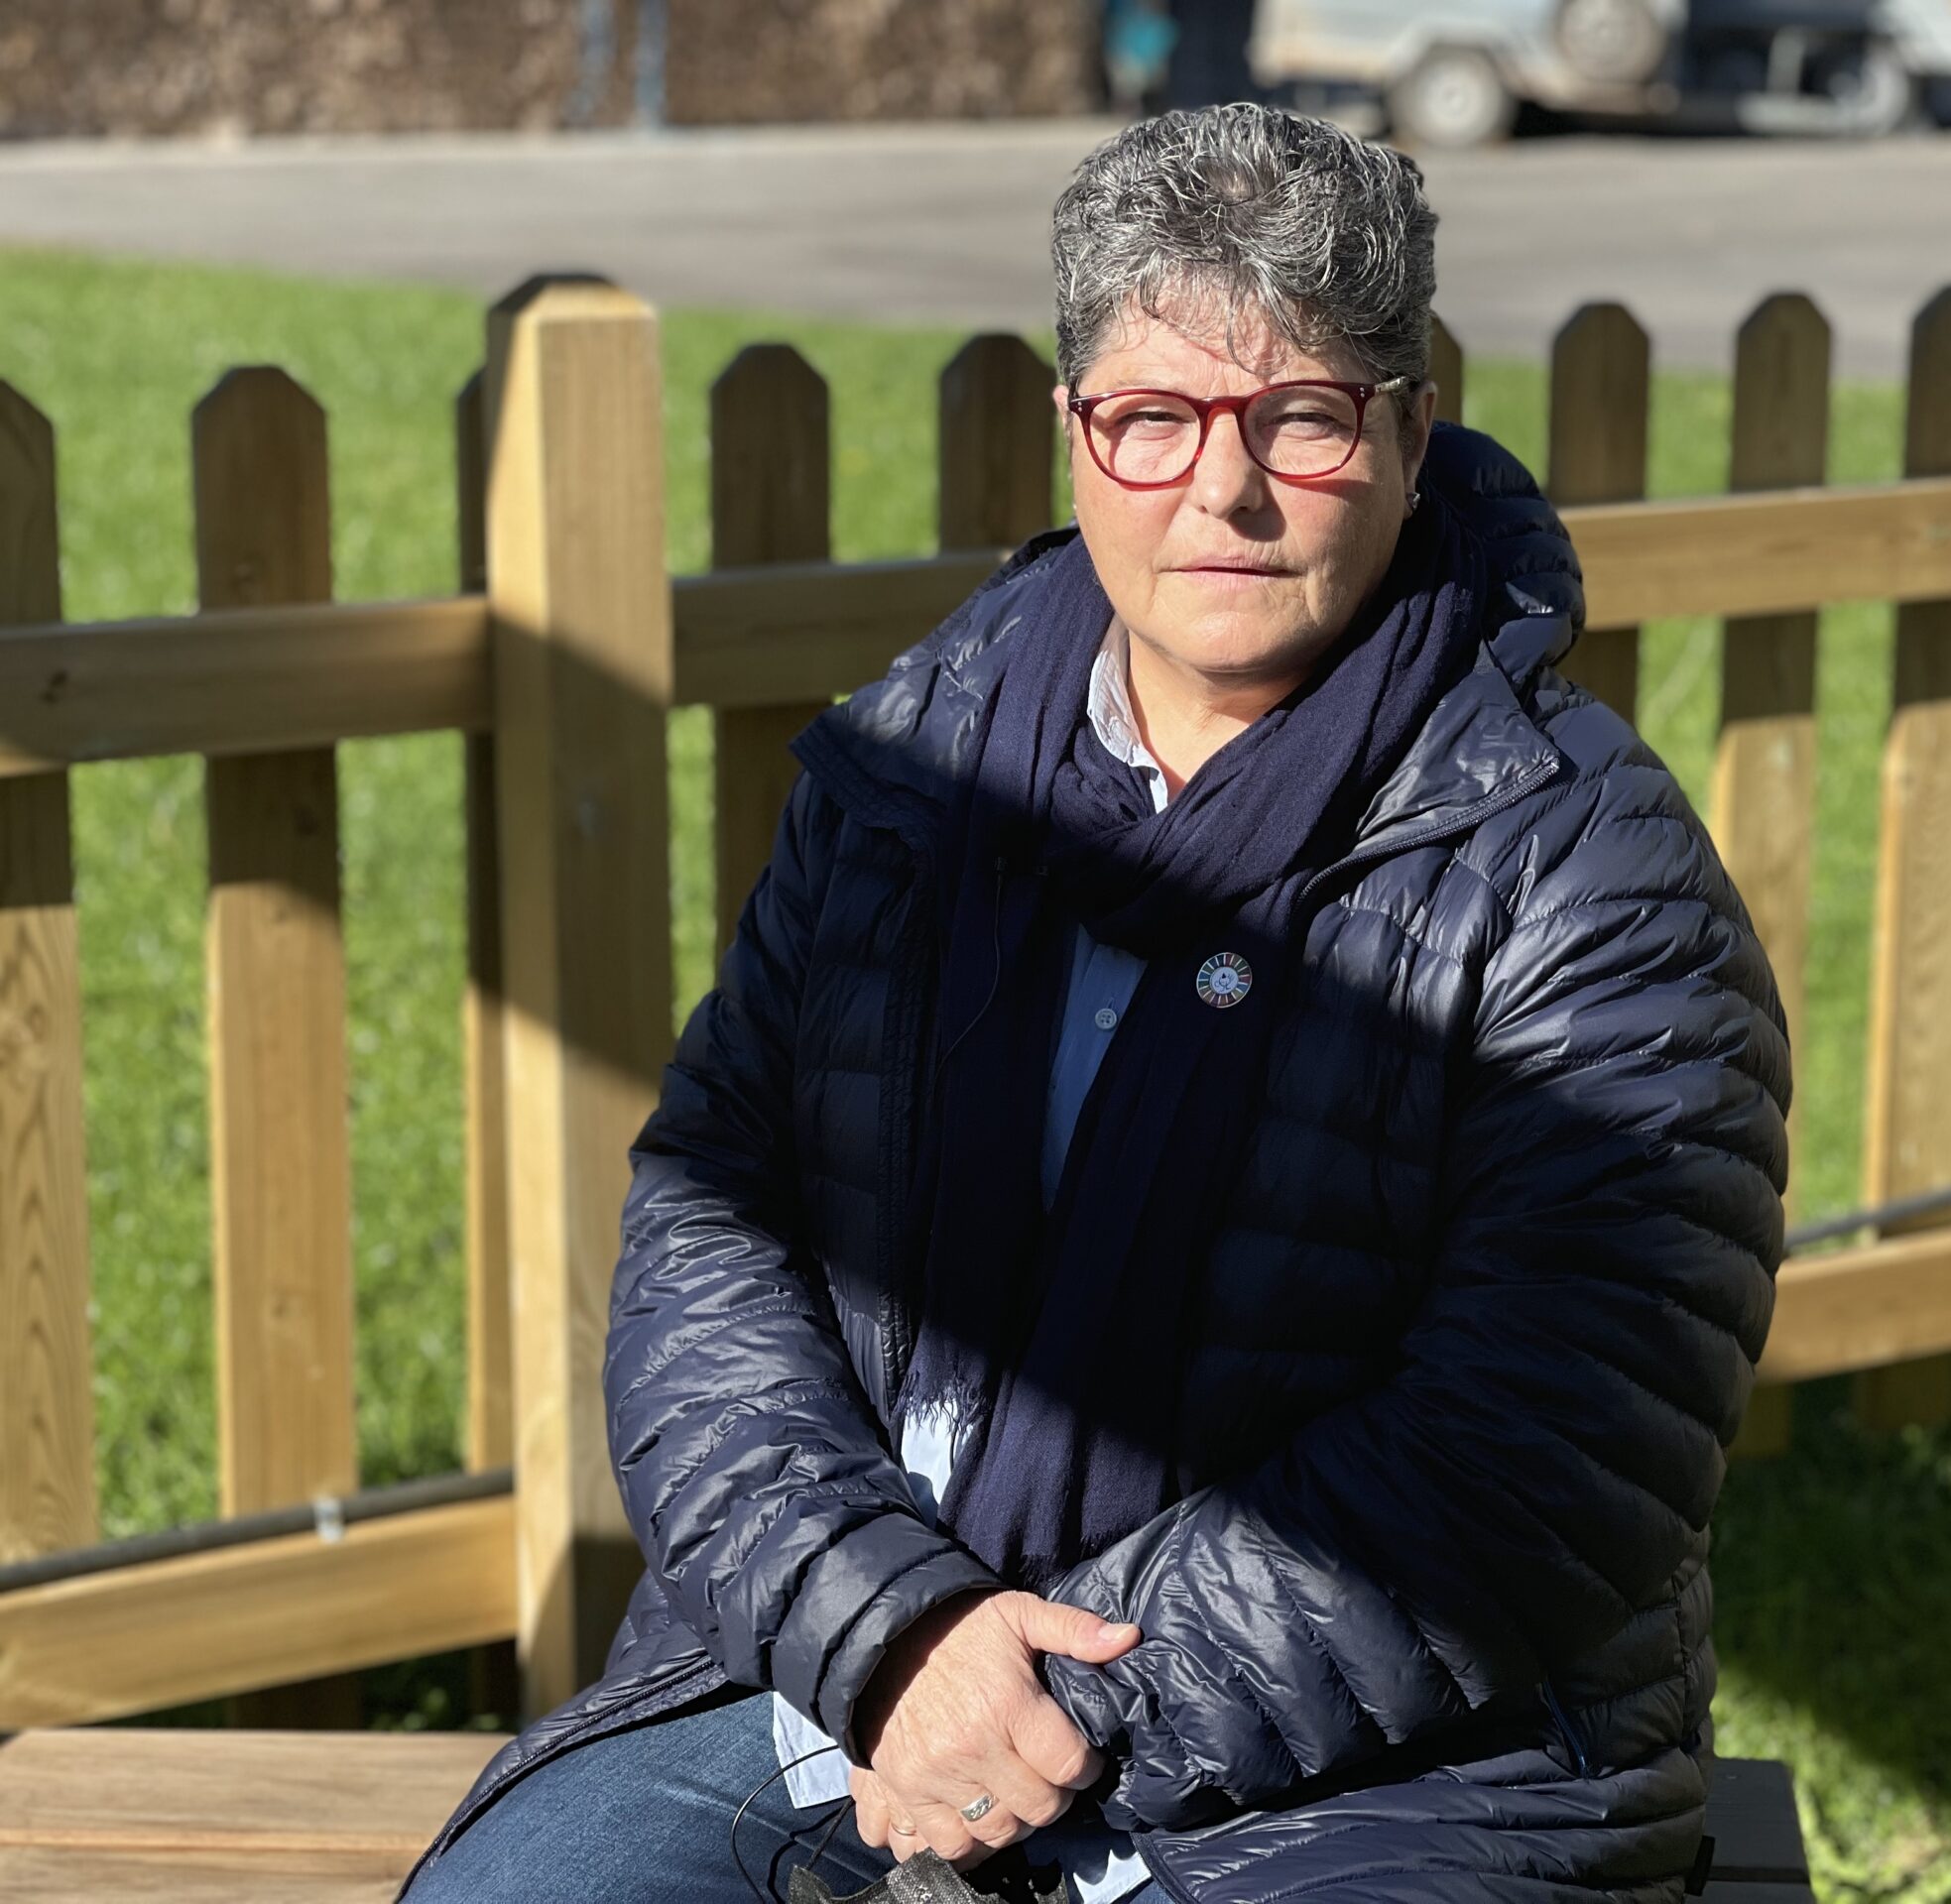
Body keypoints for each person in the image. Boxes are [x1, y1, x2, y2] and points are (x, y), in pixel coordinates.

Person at [401, 102, 1788, 1904]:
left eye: (1302, 415)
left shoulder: (1588, 874)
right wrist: (894, 1636)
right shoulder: (910, 776)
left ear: (1409, 433)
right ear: (1075, 433)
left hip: (1402, 1764)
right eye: (1153, 418)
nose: (1224, 491)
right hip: (857, 1659)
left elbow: (1537, 1453)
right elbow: (710, 1231)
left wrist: (1034, 1712)